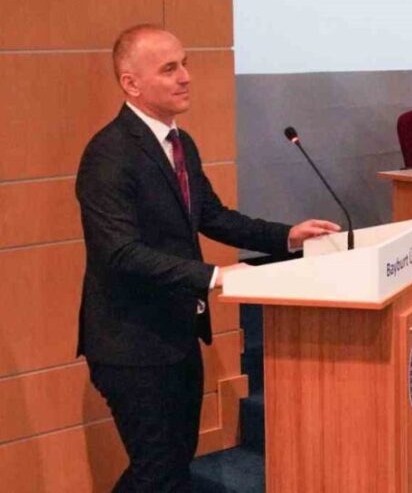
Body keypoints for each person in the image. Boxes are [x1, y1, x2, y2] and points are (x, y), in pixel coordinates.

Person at [75, 24, 341, 492]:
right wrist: (213, 275)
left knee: (168, 466)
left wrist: (288, 238)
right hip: (130, 344)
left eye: (186, 63)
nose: (186, 77)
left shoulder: (180, 143)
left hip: (175, 335)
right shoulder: (109, 153)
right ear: (131, 83)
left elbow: (213, 216)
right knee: (158, 469)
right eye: (169, 68)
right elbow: (119, 252)